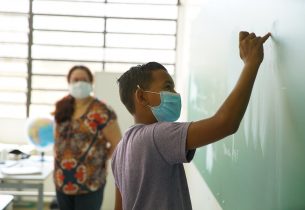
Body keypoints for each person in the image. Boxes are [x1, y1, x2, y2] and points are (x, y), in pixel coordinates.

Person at [111, 31, 271, 210]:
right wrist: (251, 63)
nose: (175, 94)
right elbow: (225, 123)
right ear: (141, 96)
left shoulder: (119, 150)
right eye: (167, 87)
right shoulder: (157, 135)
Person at [53, 65, 121, 210]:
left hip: (90, 181)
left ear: (91, 82)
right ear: (69, 82)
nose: (79, 83)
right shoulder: (62, 106)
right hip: (62, 181)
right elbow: (57, 140)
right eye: (75, 79)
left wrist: (100, 158)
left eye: (84, 79)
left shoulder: (102, 110)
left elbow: (117, 143)